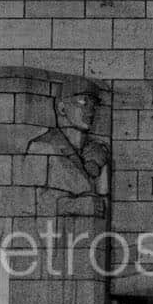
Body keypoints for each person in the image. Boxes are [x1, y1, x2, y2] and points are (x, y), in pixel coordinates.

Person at [26, 83, 111, 217]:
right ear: (62, 108)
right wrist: (79, 206)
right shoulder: (42, 147)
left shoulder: (97, 151)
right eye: (83, 102)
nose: (90, 110)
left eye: (94, 104)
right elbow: (29, 204)